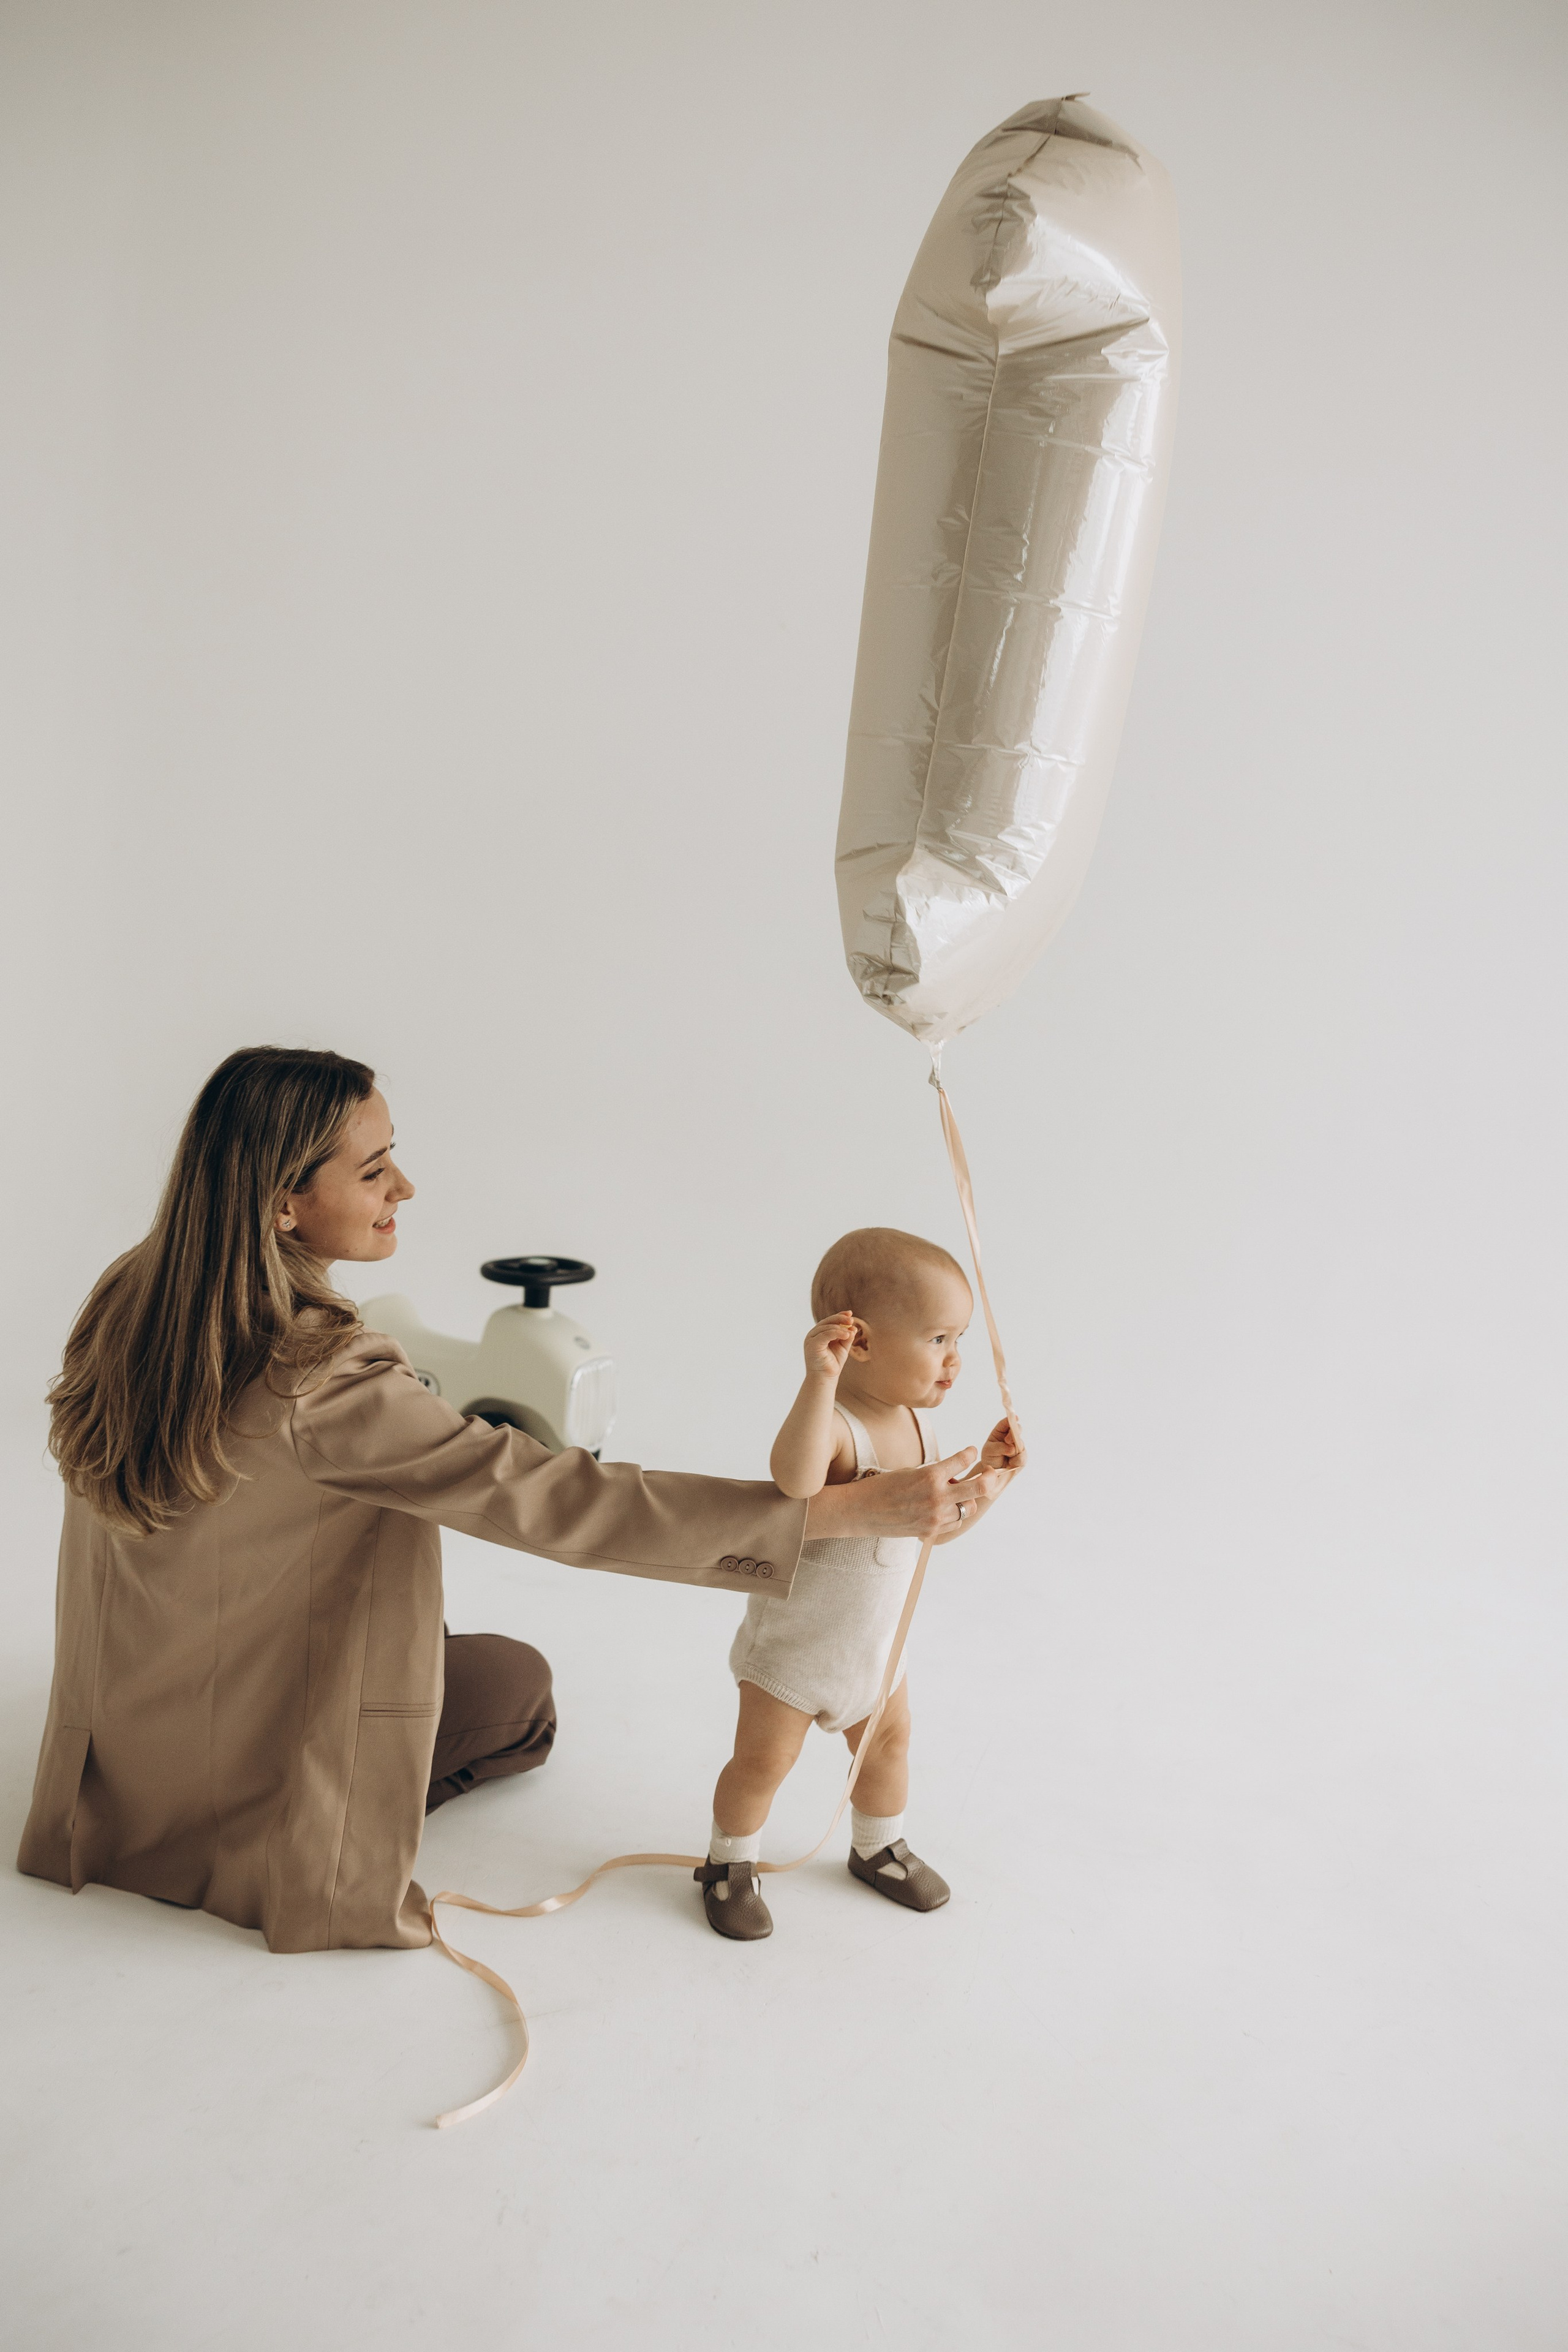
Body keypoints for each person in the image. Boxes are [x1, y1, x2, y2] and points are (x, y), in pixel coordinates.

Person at [19, 1049, 1008, 1955]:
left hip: (129, 1749)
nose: (404, 1187)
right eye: (374, 1171)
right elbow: (558, 1500)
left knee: (429, 1637)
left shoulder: (136, 1297)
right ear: (285, 1206)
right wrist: (847, 1512)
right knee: (522, 1693)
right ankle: (303, 1816)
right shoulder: (328, 1382)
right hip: (250, 1763)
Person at [697, 1228, 1023, 1940]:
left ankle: (879, 1845)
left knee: (888, 1749)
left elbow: (933, 1531)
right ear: (862, 1343)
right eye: (937, 1338)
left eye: (959, 1339)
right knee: (762, 1764)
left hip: (876, 1655)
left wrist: (988, 1481)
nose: (955, 1359)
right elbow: (795, 1481)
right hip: (793, 1657)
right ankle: (728, 1864)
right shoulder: (841, 1429)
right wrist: (818, 1381)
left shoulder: (916, 1426)